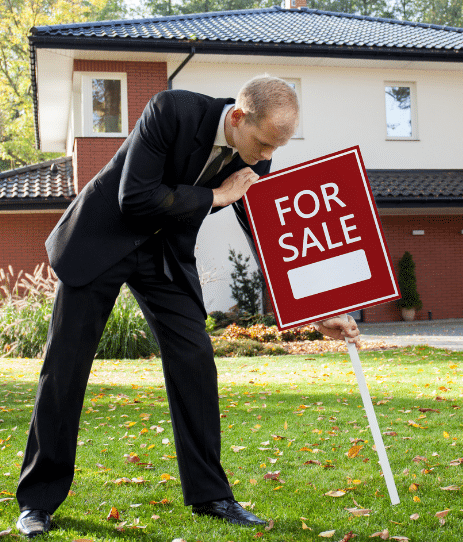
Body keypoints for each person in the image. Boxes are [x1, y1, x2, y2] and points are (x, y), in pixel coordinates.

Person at [14, 75, 360, 538]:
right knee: (65, 369)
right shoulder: (171, 111)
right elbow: (134, 198)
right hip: (100, 242)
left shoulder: (257, 155)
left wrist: (318, 308)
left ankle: (211, 495)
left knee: (196, 361)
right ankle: (37, 502)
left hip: (163, 258)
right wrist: (217, 196)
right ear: (238, 117)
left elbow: (267, 236)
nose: (264, 158)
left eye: (276, 148)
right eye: (261, 144)